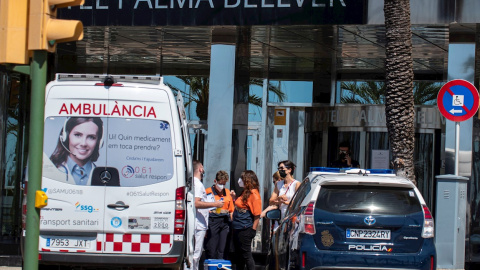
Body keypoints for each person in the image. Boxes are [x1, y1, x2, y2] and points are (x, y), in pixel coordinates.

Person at [49, 117, 104, 185]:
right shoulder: (49, 170)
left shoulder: (104, 177)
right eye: (77, 135)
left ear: (99, 142)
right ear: (65, 136)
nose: (83, 143)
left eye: (91, 137)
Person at [193, 160, 224, 270]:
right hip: (198, 225)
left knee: (196, 254)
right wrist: (215, 204)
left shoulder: (195, 183)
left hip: (199, 224)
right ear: (200, 169)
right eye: (202, 167)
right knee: (195, 255)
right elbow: (196, 203)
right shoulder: (198, 184)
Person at [232, 170, 262, 270]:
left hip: (245, 228)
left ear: (247, 180)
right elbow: (241, 205)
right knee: (239, 255)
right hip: (237, 227)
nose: (239, 180)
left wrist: (253, 230)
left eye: (242, 178)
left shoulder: (254, 194)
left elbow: (257, 215)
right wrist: (234, 198)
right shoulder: (245, 192)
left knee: (246, 255)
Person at [204, 170, 235, 260]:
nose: (222, 186)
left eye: (224, 184)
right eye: (220, 183)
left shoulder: (228, 192)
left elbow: (231, 210)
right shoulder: (208, 192)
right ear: (215, 181)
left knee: (222, 248)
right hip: (213, 221)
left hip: (225, 222)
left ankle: (220, 265)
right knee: (211, 247)